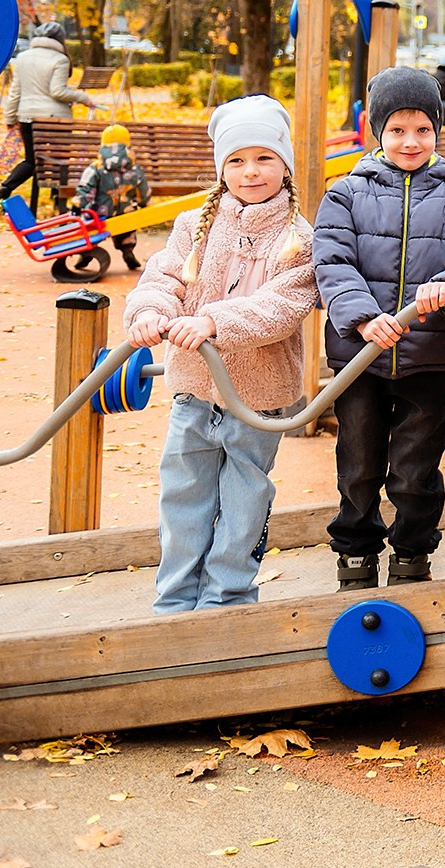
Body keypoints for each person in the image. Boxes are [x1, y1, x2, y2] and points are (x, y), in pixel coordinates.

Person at [121, 96, 317, 614]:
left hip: (257, 402)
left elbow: (281, 306)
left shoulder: (299, 237)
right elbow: (162, 277)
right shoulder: (196, 225)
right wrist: (148, 311)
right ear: (221, 167)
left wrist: (214, 320)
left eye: (264, 159)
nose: (250, 172)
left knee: (244, 501)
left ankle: (227, 599)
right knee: (183, 496)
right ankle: (176, 597)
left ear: (285, 165)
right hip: (193, 393)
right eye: (236, 160)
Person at [314, 67, 445, 590]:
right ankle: (356, 550)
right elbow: (333, 262)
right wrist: (364, 317)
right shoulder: (344, 194)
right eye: (396, 130)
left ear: (437, 130)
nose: (410, 141)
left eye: (422, 130)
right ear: (377, 132)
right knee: (359, 463)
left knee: (415, 469)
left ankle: (412, 551)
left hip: (427, 355)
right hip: (360, 357)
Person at [0, 21, 100, 210]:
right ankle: (58, 203)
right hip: (55, 120)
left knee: (32, 160)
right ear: (60, 39)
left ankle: (6, 187)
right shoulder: (60, 59)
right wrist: (83, 97)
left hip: (27, 118)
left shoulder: (23, 57)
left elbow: (15, 92)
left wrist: (10, 118)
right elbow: (57, 92)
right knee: (60, 162)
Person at [73, 123, 153, 270]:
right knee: (128, 228)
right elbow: (143, 189)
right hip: (125, 210)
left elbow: (86, 188)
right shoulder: (134, 168)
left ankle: (85, 253)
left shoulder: (96, 167)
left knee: (90, 230)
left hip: (99, 213)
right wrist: (145, 204)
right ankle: (128, 250)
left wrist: (77, 206)